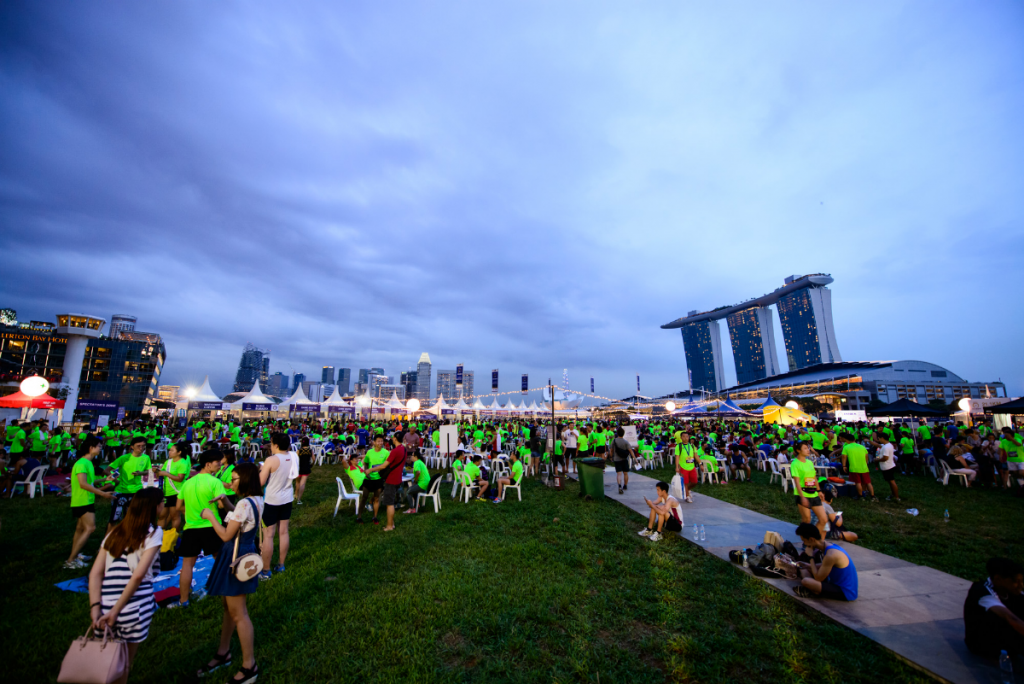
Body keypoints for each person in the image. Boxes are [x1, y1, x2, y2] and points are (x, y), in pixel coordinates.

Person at [196, 463, 264, 684]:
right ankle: (223, 652)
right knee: (229, 607)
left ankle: (249, 666)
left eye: (234, 479)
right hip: (244, 552)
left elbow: (226, 535)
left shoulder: (245, 503)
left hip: (235, 555)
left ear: (244, 480)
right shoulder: (255, 500)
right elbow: (241, 516)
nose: (230, 482)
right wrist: (226, 503)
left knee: (239, 613)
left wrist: (210, 516)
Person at [87, 488, 164, 684]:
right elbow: (138, 575)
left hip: (104, 606)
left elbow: (95, 573)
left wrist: (95, 607)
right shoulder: (153, 533)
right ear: (154, 508)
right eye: (162, 503)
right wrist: (117, 610)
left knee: (105, 662)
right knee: (123, 665)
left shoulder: (114, 533)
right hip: (134, 607)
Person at [171, 449, 226, 608]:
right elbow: (221, 504)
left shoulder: (188, 482)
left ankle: (183, 600)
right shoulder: (215, 482)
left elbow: (178, 506)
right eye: (218, 463)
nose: (220, 466)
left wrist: (190, 514)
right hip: (211, 526)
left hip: (191, 527)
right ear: (208, 465)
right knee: (220, 558)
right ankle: (223, 590)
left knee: (187, 564)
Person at [66, 435, 115, 569]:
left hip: (85, 499)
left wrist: (104, 480)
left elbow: (90, 482)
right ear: (91, 448)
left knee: (80, 529)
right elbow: (83, 484)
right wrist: (102, 493)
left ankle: (75, 555)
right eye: (99, 446)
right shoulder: (82, 463)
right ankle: (70, 561)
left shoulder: (88, 463)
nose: (101, 448)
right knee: (90, 528)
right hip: (82, 500)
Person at [964, 557, 1024, 663]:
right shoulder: (982, 592)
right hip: (983, 644)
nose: (1021, 586)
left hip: (1005, 639)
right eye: (1016, 581)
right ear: (998, 579)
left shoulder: (1012, 591)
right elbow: (1010, 618)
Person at [259, 433, 296, 579]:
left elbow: (261, 482)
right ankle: (281, 564)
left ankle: (266, 570)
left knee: (268, 535)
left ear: (275, 445)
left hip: (272, 500)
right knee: (284, 532)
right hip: (287, 498)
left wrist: (259, 471)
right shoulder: (293, 456)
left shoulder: (271, 460)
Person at [792, 522, 858, 600]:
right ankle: (813, 589)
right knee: (803, 569)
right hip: (833, 582)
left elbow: (818, 578)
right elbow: (825, 565)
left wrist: (811, 557)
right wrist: (807, 565)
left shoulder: (831, 555)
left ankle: (814, 591)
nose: (804, 544)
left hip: (846, 592)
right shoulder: (828, 546)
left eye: (804, 541)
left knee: (806, 581)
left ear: (811, 539)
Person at [368, 433, 406, 531]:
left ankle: (389, 526)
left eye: (393, 438)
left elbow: (383, 466)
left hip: (391, 480)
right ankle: (391, 523)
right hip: (398, 479)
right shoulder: (404, 449)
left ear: (395, 439)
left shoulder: (395, 451)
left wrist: (370, 470)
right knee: (391, 501)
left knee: (389, 503)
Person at [791, 442, 828, 539]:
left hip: (813, 493)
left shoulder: (810, 462)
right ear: (798, 450)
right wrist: (802, 497)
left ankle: (813, 539)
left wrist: (819, 491)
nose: (808, 450)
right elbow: (797, 482)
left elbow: (814, 477)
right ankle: (805, 540)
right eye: (805, 448)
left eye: (808, 448)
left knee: (823, 519)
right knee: (806, 519)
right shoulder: (795, 464)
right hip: (802, 493)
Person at [156, 442, 191, 531]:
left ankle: (173, 536)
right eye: (169, 450)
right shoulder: (168, 462)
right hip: (166, 492)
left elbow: (180, 478)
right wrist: (158, 472)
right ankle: (159, 534)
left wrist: (166, 474)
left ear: (179, 452)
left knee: (174, 516)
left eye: (172, 450)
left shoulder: (182, 463)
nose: (169, 452)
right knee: (161, 515)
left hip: (176, 493)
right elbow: (161, 474)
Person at [361, 435, 390, 524]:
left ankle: (375, 517)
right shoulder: (369, 452)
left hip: (379, 479)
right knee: (364, 498)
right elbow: (365, 462)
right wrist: (366, 471)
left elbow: (388, 465)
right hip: (369, 478)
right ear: (374, 442)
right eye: (378, 441)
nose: (380, 443)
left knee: (377, 498)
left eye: (381, 441)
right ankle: (359, 517)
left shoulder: (386, 452)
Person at [839, 433, 875, 501]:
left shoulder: (846, 447)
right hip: (864, 468)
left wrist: (844, 465)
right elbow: (866, 456)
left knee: (858, 483)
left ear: (846, 440)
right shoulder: (862, 447)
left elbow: (844, 457)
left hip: (854, 468)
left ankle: (860, 496)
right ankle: (873, 496)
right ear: (854, 439)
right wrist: (866, 464)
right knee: (868, 482)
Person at [869, 432, 900, 501]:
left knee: (892, 482)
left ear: (882, 438)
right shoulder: (888, 445)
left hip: (887, 467)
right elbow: (877, 445)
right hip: (889, 466)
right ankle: (893, 494)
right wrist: (869, 441)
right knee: (890, 482)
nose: (878, 440)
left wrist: (877, 460)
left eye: (879, 438)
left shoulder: (886, 447)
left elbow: (885, 458)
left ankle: (897, 497)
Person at [404, 449, 431, 514]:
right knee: (412, 489)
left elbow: (418, 472)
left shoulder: (416, 463)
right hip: (427, 483)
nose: (411, 457)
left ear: (415, 456)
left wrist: (415, 481)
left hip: (423, 484)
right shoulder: (420, 462)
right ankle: (416, 504)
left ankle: (412, 508)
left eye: (412, 456)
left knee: (408, 492)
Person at [675, 433, 699, 503]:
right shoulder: (678, 446)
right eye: (684, 437)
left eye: (687, 436)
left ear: (689, 437)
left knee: (695, 481)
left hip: (692, 466)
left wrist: (700, 463)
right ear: (681, 438)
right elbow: (677, 457)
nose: (685, 438)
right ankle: (687, 496)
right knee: (685, 482)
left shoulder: (692, 445)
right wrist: (677, 467)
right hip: (683, 467)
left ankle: (687, 490)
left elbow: (696, 455)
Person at [611, 427, 635, 495]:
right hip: (624, 459)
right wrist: (635, 459)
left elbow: (611, 450)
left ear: (617, 433)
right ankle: (625, 485)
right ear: (623, 434)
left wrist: (611, 456)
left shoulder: (614, 441)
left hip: (616, 459)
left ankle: (619, 486)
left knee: (619, 473)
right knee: (625, 473)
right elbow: (630, 451)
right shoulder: (626, 442)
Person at [294, 437, 312, 505]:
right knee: (302, 483)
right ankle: (299, 499)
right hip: (306, 468)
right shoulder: (310, 450)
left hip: (298, 468)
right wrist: (311, 464)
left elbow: (295, 459)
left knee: (297, 482)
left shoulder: (299, 450)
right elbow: (313, 458)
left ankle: (295, 495)